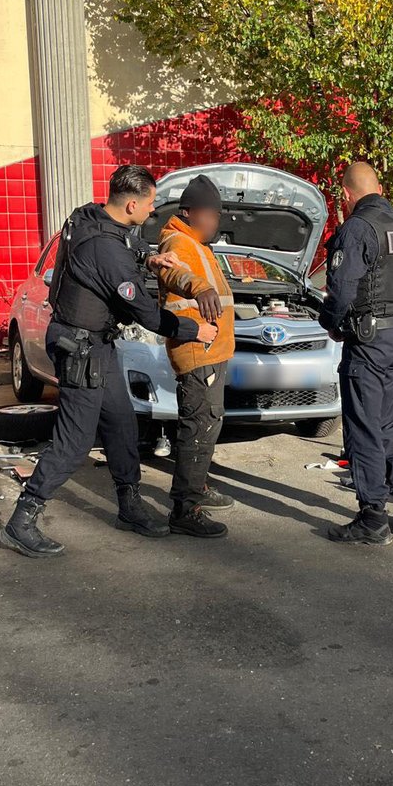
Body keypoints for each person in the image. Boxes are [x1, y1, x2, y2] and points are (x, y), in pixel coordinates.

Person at [0, 164, 217, 559]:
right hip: (81, 350)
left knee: (121, 423)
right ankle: (22, 519)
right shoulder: (106, 250)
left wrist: (150, 261)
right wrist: (192, 331)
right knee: (74, 440)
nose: (153, 212)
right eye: (150, 205)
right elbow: (145, 315)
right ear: (131, 202)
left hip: (96, 345)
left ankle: (129, 505)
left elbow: (124, 248)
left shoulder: (87, 216)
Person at [319, 161, 393, 546]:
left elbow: (342, 291)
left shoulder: (357, 228)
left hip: (368, 343)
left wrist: (329, 322)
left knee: (363, 427)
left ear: (347, 194)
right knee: (388, 422)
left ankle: (372, 517)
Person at [152, 173, 236, 539]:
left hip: (212, 352)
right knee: (197, 428)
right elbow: (177, 274)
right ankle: (185, 509)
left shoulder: (199, 244)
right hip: (197, 352)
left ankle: (197, 486)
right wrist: (199, 287)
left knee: (208, 423)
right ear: (188, 213)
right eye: (211, 215)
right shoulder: (177, 242)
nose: (216, 222)